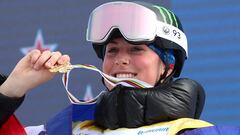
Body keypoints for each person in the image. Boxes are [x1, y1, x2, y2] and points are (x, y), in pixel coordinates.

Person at [0, 1, 238, 135]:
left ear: (168, 65)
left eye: (136, 50)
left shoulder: (202, 133)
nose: (120, 59)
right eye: (112, 50)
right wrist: (9, 92)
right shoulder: (68, 127)